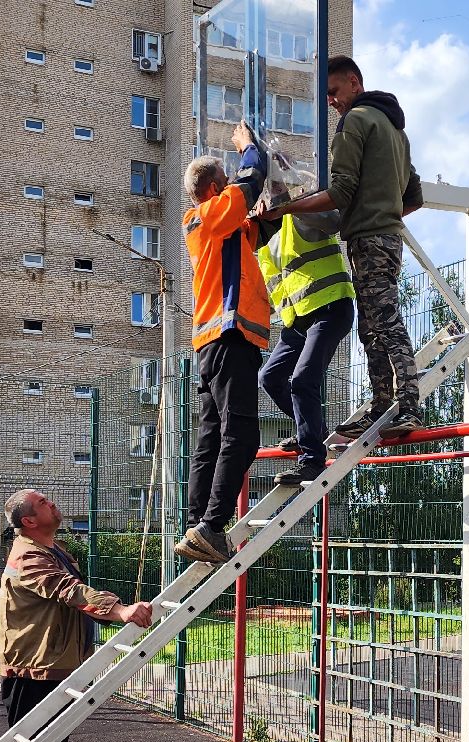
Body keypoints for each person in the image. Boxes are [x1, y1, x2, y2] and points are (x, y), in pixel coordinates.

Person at [254, 55, 425, 442]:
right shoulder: (395, 131)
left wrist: (288, 207)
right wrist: (384, 214)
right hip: (385, 237)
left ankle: (409, 406)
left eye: (333, 92)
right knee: (371, 326)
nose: (331, 101)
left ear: (353, 82)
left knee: (384, 322)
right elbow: (413, 195)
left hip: (368, 239)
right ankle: (384, 407)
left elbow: (341, 192)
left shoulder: (355, 122)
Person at [0, 488, 153, 742]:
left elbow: (75, 602)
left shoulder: (55, 550)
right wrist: (119, 611)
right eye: (43, 503)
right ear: (29, 521)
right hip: (32, 669)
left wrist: (114, 613)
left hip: (57, 665)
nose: (51, 502)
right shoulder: (29, 556)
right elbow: (67, 591)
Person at [175, 122, 272, 564]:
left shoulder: (215, 226)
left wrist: (279, 211)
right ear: (216, 187)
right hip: (229, 336)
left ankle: (197, 523)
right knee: (243, 434)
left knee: (210, 437)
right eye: (226, 185)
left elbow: (255, 230)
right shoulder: (215, 211)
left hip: (209, 343)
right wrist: (247, 145)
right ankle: (212, 525)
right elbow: (252, 177)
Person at [255, 168, 355, 487]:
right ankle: (310, 432)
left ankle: (311, 459)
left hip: (330, 306)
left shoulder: (300, 212)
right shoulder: (267, 241)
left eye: (271, 193)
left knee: (301, 380)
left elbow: (334, 221)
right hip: (298, 321)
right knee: (269, 377)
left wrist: (289, 202)